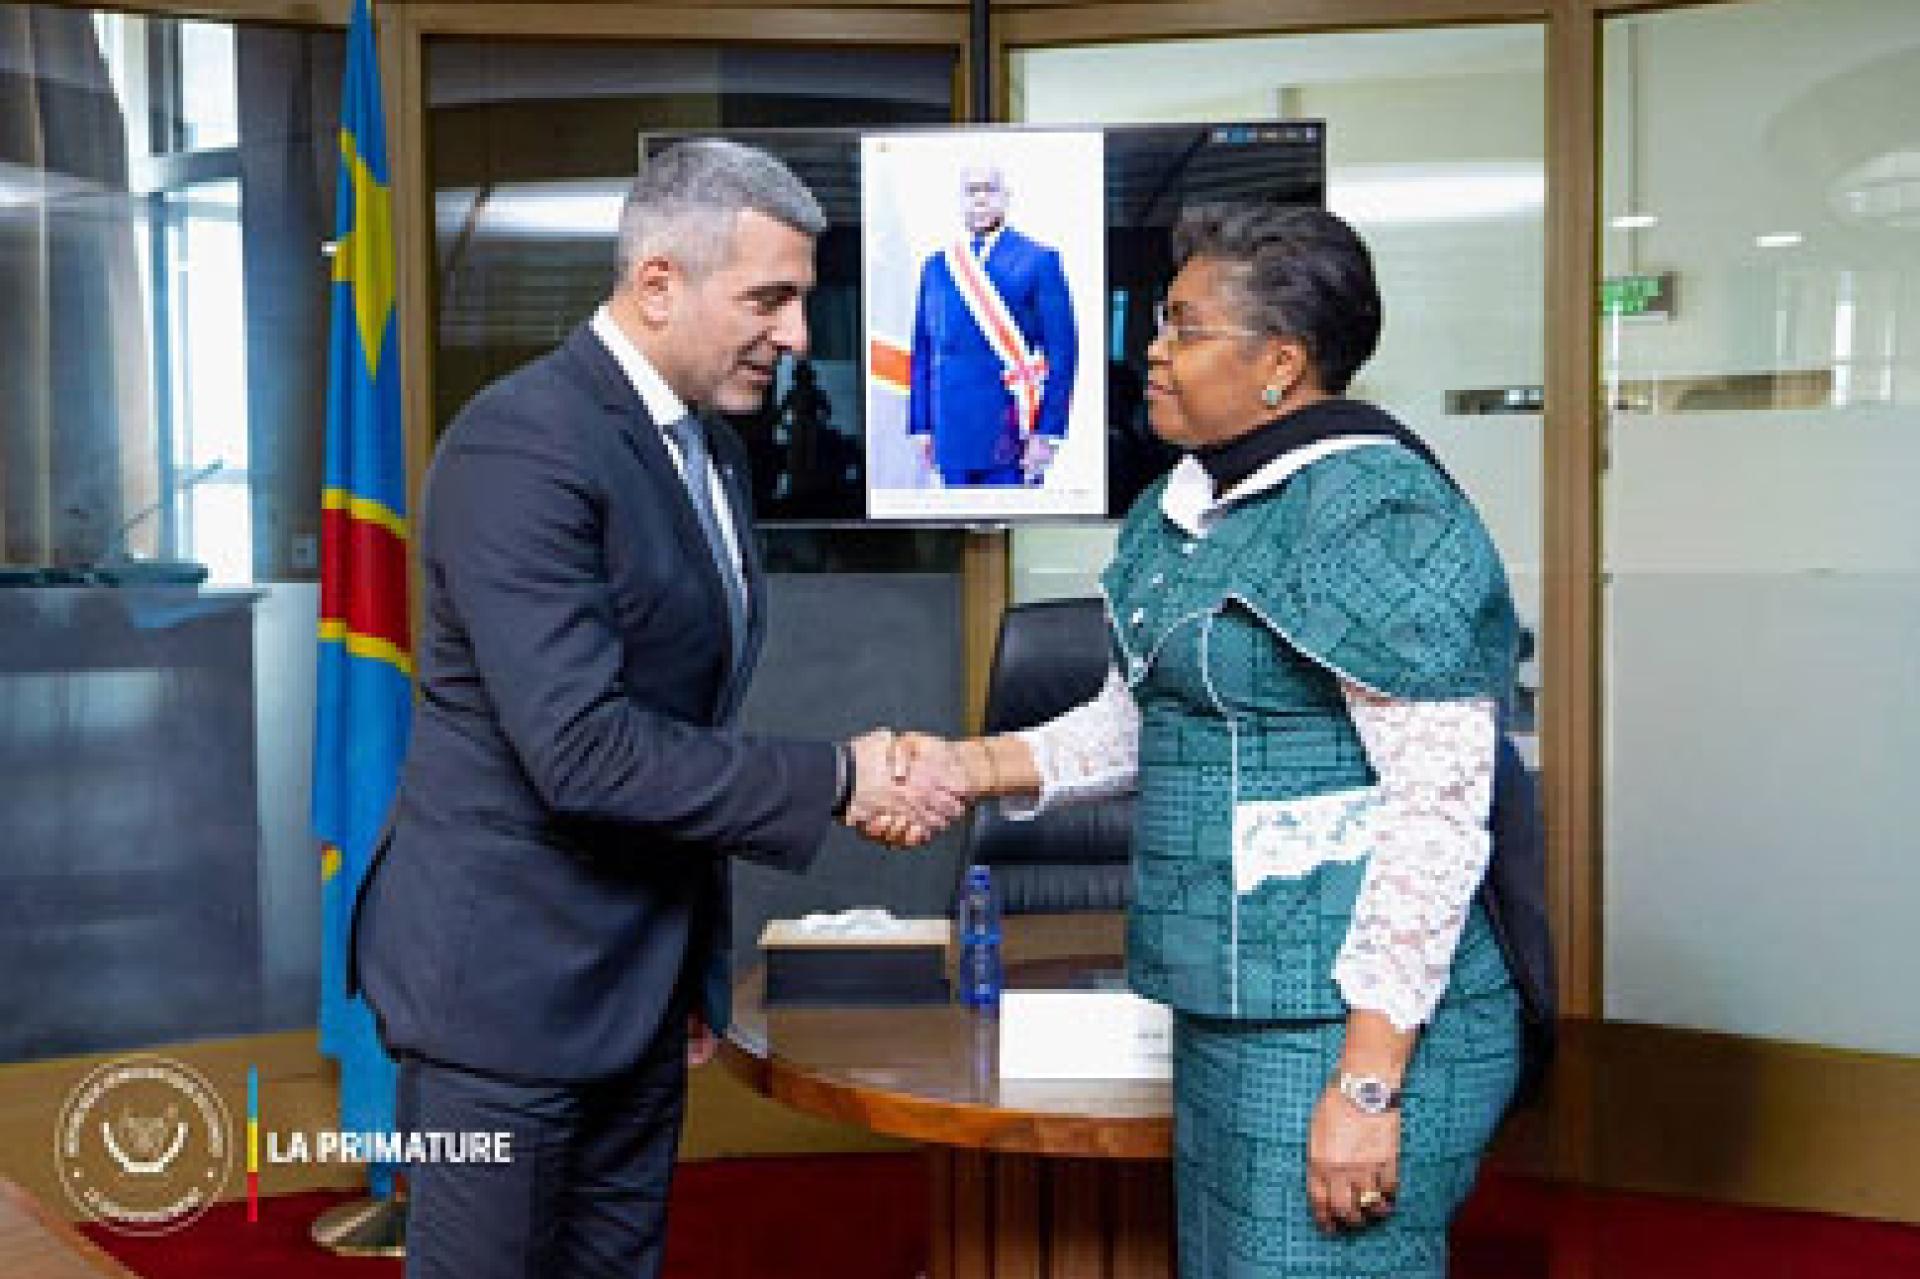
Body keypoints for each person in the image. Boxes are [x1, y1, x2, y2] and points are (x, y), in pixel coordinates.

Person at [349, 138, 958, 1279]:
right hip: (502, 1004)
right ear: (659, 283)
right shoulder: (522, 443)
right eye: (768, 299)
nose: (796, 337)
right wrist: (839, 775)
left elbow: (687, 721)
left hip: (629, 989)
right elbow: (581, 750)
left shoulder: (707, 451)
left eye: (801, 301)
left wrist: (685, 972)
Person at [895, 205, 1523, 1278]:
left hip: (1351, 1027)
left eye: (1184, 327)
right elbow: (1138, 720)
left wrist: (1369, 1084)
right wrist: (967, 766)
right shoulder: (1187, 505)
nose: (1153, 347)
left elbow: (1437, 814)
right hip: (1225, 1009)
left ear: (1280, 363)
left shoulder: (1378, 513)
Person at [907, 163, 1077, 486]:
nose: (981, 199)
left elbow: (1062, 353)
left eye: (990, 189)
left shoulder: (1039, 259)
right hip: (950, 428)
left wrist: (1048, 432)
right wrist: (921, 424)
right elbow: (923, 352)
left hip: (1011, 431)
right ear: (961, 200)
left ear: (1006, 198)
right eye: (972, 191)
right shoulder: (937, 267)